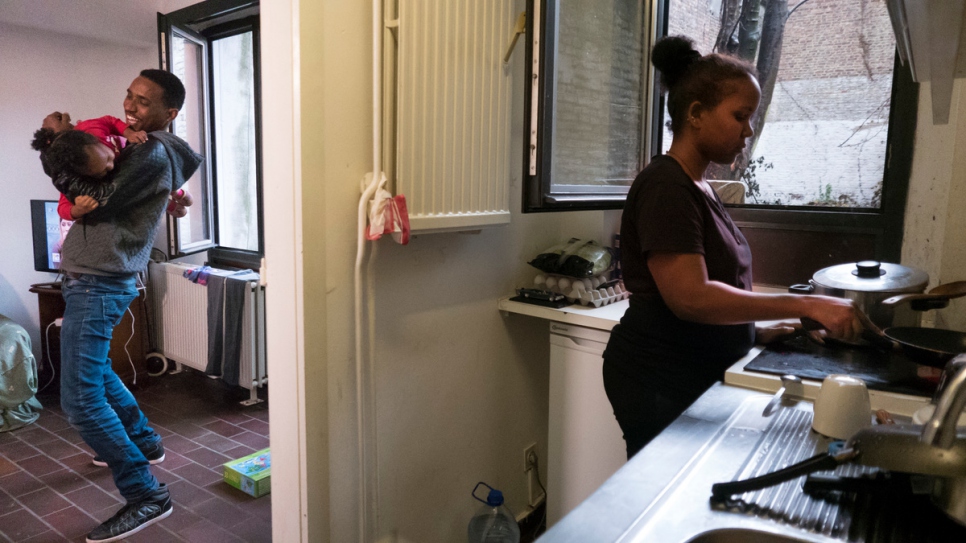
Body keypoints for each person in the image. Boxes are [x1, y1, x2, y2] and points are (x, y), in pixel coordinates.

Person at [602, 36, 863, 460]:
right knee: (664, 502)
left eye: (752, 117)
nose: (749, 130)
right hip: (658, 376)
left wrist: (752, 331)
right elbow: (691, 298)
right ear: (696, 114)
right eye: (739, 116)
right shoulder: (666, 186)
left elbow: (713, 287)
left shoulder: (698, 186)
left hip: (689, 367)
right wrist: (810, 306)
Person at [55, 69, 203, 543]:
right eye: (129, 96)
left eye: (142, 102)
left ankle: (146, 495)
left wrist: (59, 149)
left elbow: (97, 198)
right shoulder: (143, 149)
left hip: (99, 282)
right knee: (95, 375)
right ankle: (144, 441)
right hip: (98, 278)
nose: (130, 107)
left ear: (169, 113)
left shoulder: (151, 152)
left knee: (79, 400)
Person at [31, 112, 192, 221]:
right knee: (140, 192)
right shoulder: (74, 176)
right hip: (124, 180)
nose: (111, 164)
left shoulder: (91, 127)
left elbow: (109, 121)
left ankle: (175, 190)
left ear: (92, 139)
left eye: (108, 156)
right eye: (102, 170)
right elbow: (62, 208)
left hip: (130, 155)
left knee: (155, 171)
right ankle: (167, 204)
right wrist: (77, 210)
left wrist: (128, 133)